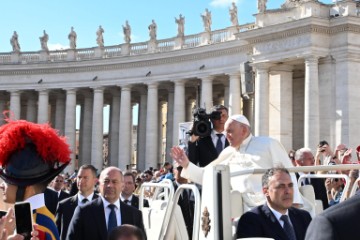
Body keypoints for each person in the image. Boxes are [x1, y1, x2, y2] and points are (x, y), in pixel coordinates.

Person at [171, 114, 304, 208]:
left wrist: (294, 204)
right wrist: (187, 165)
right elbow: (208, 176)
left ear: (244, 130)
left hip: (269, 206)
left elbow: (289, 173)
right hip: (239, 208)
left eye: (230, 131)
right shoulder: (228, 152)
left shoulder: (268, 144)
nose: (226, 136)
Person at [0, 118, 71, 240]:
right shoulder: (27, 216)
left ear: (28, 188)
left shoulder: (38, 228)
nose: (1, 185)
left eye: (8, 181)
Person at [66, 167, 146, 240]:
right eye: (106, 181)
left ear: (122, 185)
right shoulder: (83, 212)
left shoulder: (135, 215)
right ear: (99, 184)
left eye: (114, 182)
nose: (110, 185)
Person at [236, 167, 312, 239]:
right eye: (281, 186)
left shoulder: (304, 217)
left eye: (290, 185)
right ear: (266, 191)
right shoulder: (251, 220)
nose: (288, 191)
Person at [56, 164, 99, 240]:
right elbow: (57, 233)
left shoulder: (102, 204)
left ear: (95, 181)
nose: (81, 181)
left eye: (85, 178)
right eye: (79, 177)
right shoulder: (64, 205)